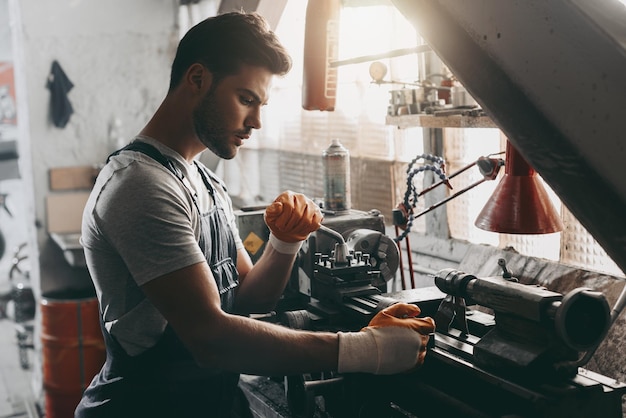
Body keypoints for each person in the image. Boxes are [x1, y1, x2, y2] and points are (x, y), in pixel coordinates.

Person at [75, 11, 435, 418]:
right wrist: (367, 349)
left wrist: (285, 242)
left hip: (211, 402)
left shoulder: (206, 183)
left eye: (261, 104)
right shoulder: (140, 185)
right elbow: (209, 337)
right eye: (246, 99)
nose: (256, 122)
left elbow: (247, 298)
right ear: (197, 80)